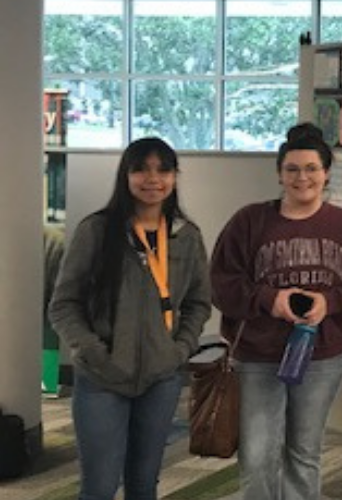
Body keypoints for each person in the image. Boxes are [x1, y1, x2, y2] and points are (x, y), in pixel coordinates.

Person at [210, 124, 342, 500]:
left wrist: (329, 302)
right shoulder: (249, 222)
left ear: (327, 172)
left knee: (305, 453)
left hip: (321, 356)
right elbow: (222, 283)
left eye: (312, 168)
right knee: (256, 455)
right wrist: (271, 300)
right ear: (279, 174)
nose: (302, 178)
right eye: (292, 169)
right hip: (258, 355)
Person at [49, 137, 212, 500]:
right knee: (100, 486)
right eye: (141, 169)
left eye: (163, 170)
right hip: (102, 378)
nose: (152, 179)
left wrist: (179, 349)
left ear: (175, 177)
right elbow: (63, 304)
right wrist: (92, 351)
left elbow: (200, 303)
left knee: (143, 484)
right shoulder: (97, 231)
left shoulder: (186, 237)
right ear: (126, 175)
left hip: (161, 378)